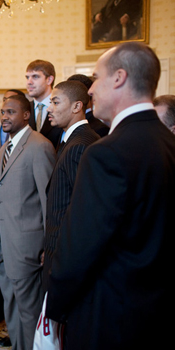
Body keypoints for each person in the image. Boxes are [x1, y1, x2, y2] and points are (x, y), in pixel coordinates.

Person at [46, 42, 175, 350]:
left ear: (119, 78)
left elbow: (79, 249)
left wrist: (54, 309)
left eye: (96, 78)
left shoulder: (105, 153)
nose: (90, 90)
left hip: (109, 316)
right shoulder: (167, 143)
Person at [0, 95, 55, 350]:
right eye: (2, 112)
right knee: (11, 310)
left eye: (11, 112)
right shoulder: (3, 149)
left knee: (29, 314)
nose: (4, 116)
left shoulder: (39, 146)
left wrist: (47, 245)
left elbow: (48, 200)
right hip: (3, 247)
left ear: (26, 115)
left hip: (28, 248)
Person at [40, 81, 100, 293]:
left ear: (77, 106)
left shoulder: (80, 144)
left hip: (66, 252)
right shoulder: (69, 139)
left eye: (56, 102)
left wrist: (59, 251)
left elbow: (82, 209)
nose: (49, 108)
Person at [25, 60, 62, 148]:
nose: (29, 82)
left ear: (49, 80)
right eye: (27, 77)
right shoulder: (25, 109)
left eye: (35, 77)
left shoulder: (61, 108)